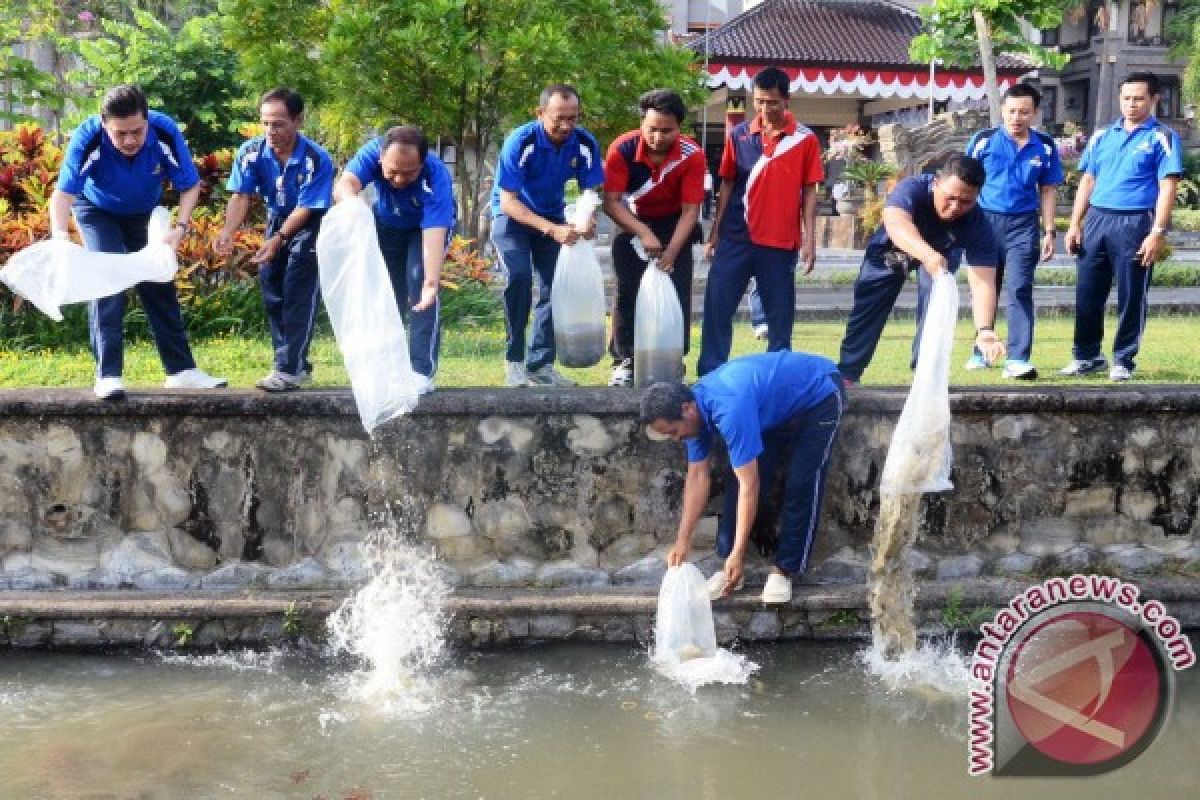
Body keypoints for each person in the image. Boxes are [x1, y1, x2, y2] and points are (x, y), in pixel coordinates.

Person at [49, 84, 226, 400]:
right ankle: (108, 375)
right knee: (110, 282)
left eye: (137, 131)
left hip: (143, 211)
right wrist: (61, 238)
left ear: (147, 120)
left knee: (159, 280)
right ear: (105, 125)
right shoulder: (87, 138)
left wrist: (180, 227)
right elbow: (62, 196)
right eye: (120, 134)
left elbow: (189, 185)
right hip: (97, 210)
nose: (130, 140)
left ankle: (180, 371)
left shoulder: (165, 131)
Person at [641, 351, 846, 605]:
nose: (676, 439)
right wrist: (683, 541)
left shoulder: (729, 410)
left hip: (819, 393)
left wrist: (739, 552)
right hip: (773, 407)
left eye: (673, 432)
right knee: (738, 479)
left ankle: (785, 570)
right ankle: (730, 568)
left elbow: (750, 485)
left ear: (687, 409)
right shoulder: (693, 418)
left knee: (801, 481)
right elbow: (697, 477)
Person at [698, 66, 824, 376]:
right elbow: (727, 184)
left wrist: (809, 239)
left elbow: (809, 191)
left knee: (779, 318)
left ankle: (777, 377)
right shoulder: (738, 135)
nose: (765, 109)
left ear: (787, 101)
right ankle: (710, 373)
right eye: (759, 102)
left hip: (780, 240)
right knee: (717, 308)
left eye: (772, 103)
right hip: (735, 237)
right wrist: (715, 232)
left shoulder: (805, 140)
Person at [836, 155, 1004, 384]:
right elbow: (896, 223)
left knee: (937, 303)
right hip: (894, 246)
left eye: (966, 202)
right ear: (936, 183)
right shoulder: (911, 189)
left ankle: (926, 376)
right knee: (869, 306)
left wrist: (984, 330)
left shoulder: (977, 224)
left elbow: (983, 282)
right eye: (950, 198)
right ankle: (847, 374)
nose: (955, 207)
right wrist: (927, 255)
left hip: (943, 253)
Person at [1061, 71, 1184, 382]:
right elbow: (1087, 180)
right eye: (1126, 98)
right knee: (1087, 292)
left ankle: (1123, 359)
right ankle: (1087, 356)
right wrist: (1075, 224)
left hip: (1135, 221)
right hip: (1098, 219)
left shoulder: (1162, 137)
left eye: (1139, 98)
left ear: (1154, 99)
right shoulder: (1102, 136)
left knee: (1131, 294)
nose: (1131, 104)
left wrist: (1157, 232)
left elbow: (1167, 186)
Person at [216, 88, 334, 392]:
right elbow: (241, 195)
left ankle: (288, 369)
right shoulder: (251, 152)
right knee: (272, 288)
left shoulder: (316, 159)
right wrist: (228, 232)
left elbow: (308, 207)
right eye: (265, 123)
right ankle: (298, 362)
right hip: (277, 219)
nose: (271, 131)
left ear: (298, 121)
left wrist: (280, 238)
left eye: (279, 124)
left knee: (298, 291)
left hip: (310, 221)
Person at [490, 84, 605, 387]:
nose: (566, 125)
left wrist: (587, 219)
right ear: (540, 113)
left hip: (555, 217)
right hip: (513, 216)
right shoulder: (521, 141)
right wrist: (551, 229)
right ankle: (514, 361)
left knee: (557, 286)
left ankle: (540, 364)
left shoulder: (584, 143)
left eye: (573, 118)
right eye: (559, 118)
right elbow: (508, 201)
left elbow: (590, 191)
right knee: (518, 278)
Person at [333, 125, 455, 395]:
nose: (399, 179)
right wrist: (354, 206)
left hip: (424, 230)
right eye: (392, 172)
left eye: (409, 172)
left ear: (422, 163)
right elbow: (344, 185)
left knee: (418, 285)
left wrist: (431, 282)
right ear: (380, 159)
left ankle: (421, 371)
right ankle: (387, 368)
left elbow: (433, 234)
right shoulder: (370, 153)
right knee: (386, 294)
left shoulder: (437, 178)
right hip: (387, 224)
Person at [602, 88, 705, 387]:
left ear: (680, 127)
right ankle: (624, 360)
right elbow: (611, 202)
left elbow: (690, 211)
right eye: (652, 129)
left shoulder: (692, 155)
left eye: (667, 130)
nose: (658, 137)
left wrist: (671, 252)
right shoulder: (622, 149)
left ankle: (674, 359)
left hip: (676, 225)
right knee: (627, 291)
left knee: (676, 292)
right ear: (641, 123)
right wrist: (643, 232)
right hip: (630, 221)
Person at [964, 83, 1064, 380]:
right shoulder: (983, 141)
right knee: (985, 289)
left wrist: (1049, 230)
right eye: (1011, 112)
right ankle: (982, 349)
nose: (1016, 118)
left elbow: (1047, 189)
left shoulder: (1045, 145)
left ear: (1035, 113)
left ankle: (1018, 358)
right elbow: (964, 181)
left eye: (1024, 112)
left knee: (1019, 287)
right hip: (985, 222)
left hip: (1023, 226)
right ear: (1002, 111)